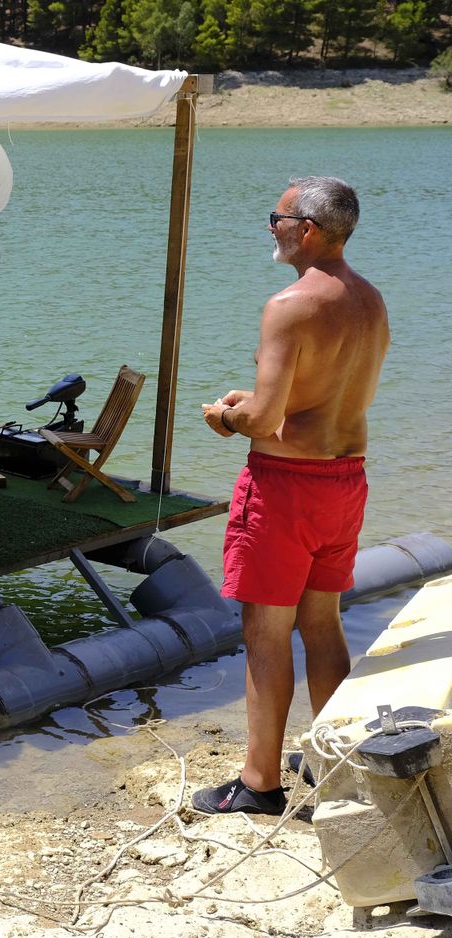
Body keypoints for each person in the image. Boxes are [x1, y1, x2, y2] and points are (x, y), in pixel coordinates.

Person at [192, 176, 390, 816]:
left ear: (306, 229)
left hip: (285, 488)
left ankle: (259, 782)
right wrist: (256, 406)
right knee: (322, 621)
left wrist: (226, 416)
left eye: (274, 218)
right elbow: (321, 399)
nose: (270, 229)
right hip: (345, 479)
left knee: (265, 632)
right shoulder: (370, 300)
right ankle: (337, 762)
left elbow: (266, 417)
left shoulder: (290, 304)